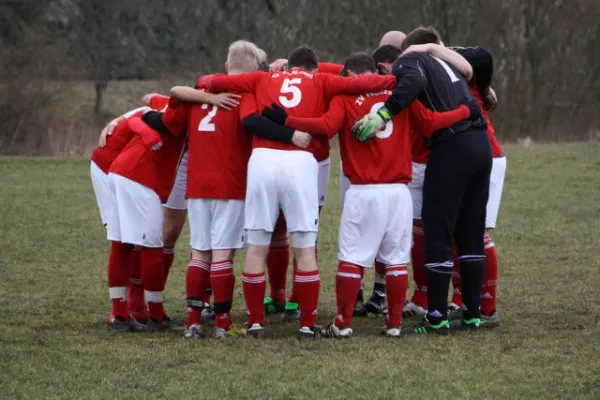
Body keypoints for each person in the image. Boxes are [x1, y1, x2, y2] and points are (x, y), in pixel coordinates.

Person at [262, 52, 477, 337]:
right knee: (396, 259)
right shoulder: (399, 95)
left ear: (350, 76)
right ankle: (394, 324)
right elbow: (430, 123)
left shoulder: (346, 98)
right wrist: (465, 111)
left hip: (363, 191)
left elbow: (326, 127)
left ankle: (342, 323)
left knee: (352, 257)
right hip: (399, 192)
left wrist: (287, 121)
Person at [198, 45, 396, 339]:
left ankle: (255, 322)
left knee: (256, 245)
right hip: (302, 161)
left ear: (287, 66)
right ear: (314, 68)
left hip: (262, 160)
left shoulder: (261, 79)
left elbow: (211, 82)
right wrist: (396, 79)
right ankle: (306, 323)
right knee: (304, 246)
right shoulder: (322, 80)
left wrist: (208, 85)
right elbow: (361, 82)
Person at [353, 26, 493, 334]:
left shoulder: (407, 62)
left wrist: (383, 115)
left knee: (438, 230)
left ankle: (437, 317)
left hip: (451, 147)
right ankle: (472, 314)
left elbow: (414, 85)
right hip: (481, 145)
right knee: (470, 230)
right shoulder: (447, 62)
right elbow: (471, 69)